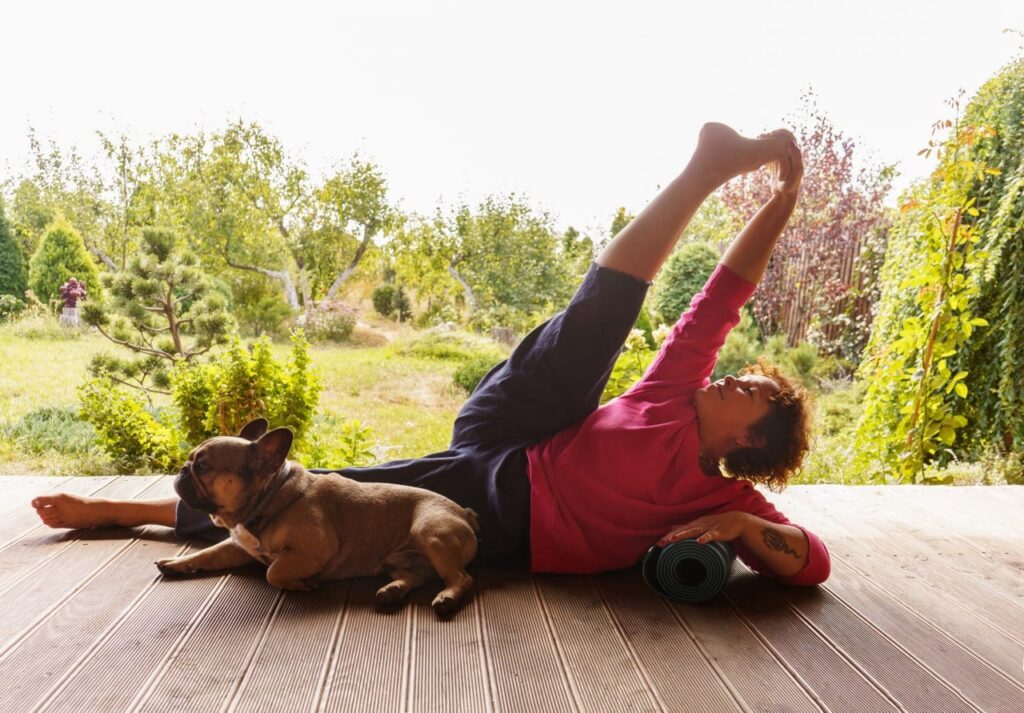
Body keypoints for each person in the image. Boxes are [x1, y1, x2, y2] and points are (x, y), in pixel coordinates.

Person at [32, 123, 829, 585]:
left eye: (749, 391)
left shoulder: (720, 503)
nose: (732, 376)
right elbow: (722, 295)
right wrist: (783, 198)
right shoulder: (673, 391)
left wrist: (731, 520)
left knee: (324, 505)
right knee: (596, 332)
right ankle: (709, 164)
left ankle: (117, 512)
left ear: (748, 444)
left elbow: (812, 562)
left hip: (501, 504)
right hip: (518, 433)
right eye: (743, 374)